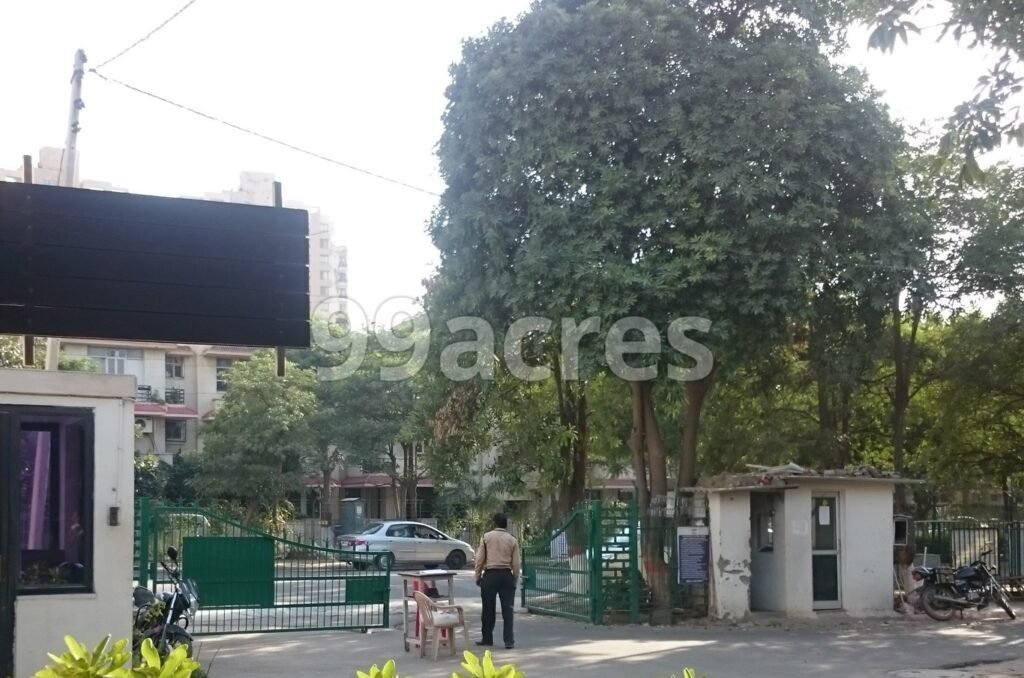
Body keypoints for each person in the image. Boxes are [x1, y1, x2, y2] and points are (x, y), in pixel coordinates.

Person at [474, 512, 520, 649]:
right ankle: (509, 640)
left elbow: (479, 559)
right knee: (508, 609)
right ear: (506, 524)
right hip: (506, 575)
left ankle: (487, 638)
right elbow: (516, 563)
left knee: (488, 608)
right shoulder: (512, 540)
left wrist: (477, 576)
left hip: (490, 575)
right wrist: (515, 578)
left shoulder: (486, 537)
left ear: (494, 523)